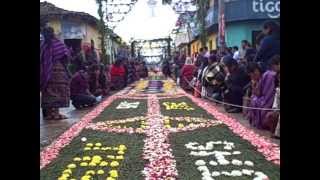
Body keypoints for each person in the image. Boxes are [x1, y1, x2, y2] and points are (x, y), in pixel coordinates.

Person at [40, 27, 71, 120]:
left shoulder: (42, 45)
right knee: (58, 91)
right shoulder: (58, 43)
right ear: (53, 33)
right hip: (58, 71)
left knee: (48, 92)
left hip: (46, 72)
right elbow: (66, 56)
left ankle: (49, 114)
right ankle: (56, 114)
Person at [248, 55, 280, 129]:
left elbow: (269, 93)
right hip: (272, 97)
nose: (274, 68)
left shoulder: (269, 75)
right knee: (254, 99)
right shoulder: (267, 74)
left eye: (274, 66)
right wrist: (253, 84)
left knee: (258, 102)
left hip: (272, 98)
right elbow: (258, 93)